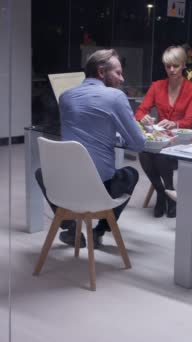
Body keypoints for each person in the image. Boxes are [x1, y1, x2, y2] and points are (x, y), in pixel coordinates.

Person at [35, 49, 146, 249]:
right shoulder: (116, 97)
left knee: (41, 173)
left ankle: (70, 226)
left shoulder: (65, 97)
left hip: (66, 186)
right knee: (130, 174)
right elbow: (138, 144)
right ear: (102, 72)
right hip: (97, 190)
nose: (122, 78)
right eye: (118, 73)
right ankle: (100, 229)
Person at [135, 46, 192, 218]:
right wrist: (144, 118)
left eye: (176, 66)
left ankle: (168, 194)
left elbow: (188, 122)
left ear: (183, 65)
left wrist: (174, 123)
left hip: (183, 140)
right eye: (168, 66)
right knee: (143, 152)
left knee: (161, 155)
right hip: (162, 138)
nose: (171, 70)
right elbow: (140, 111)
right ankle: (164, 192)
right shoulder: (157, 86)